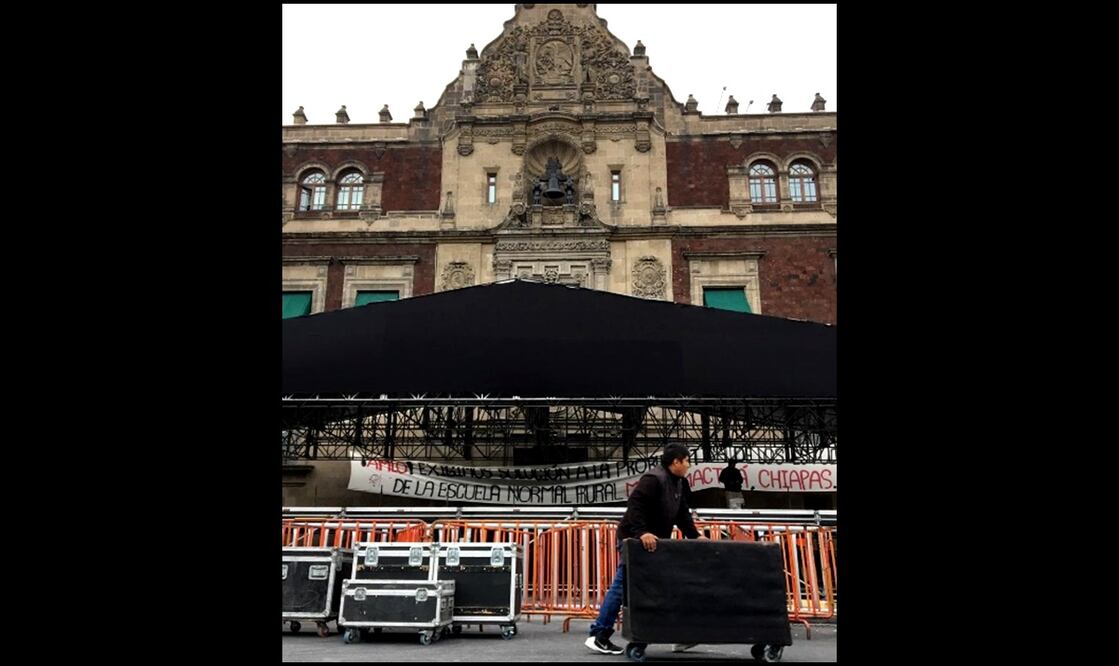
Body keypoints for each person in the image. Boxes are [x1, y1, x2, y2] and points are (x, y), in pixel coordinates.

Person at [584, 443, 707, 655]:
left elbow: (682, 514)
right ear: (676, 462)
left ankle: (680, 636)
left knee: (666, 586)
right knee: (623, 586)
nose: (689, 465)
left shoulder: (678, 483)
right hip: (635, 541)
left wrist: (695, 535)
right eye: (687, 460)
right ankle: (599, 635)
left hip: (653, 544)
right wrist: (642, 533)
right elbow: (635, 506)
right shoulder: (653, 479)